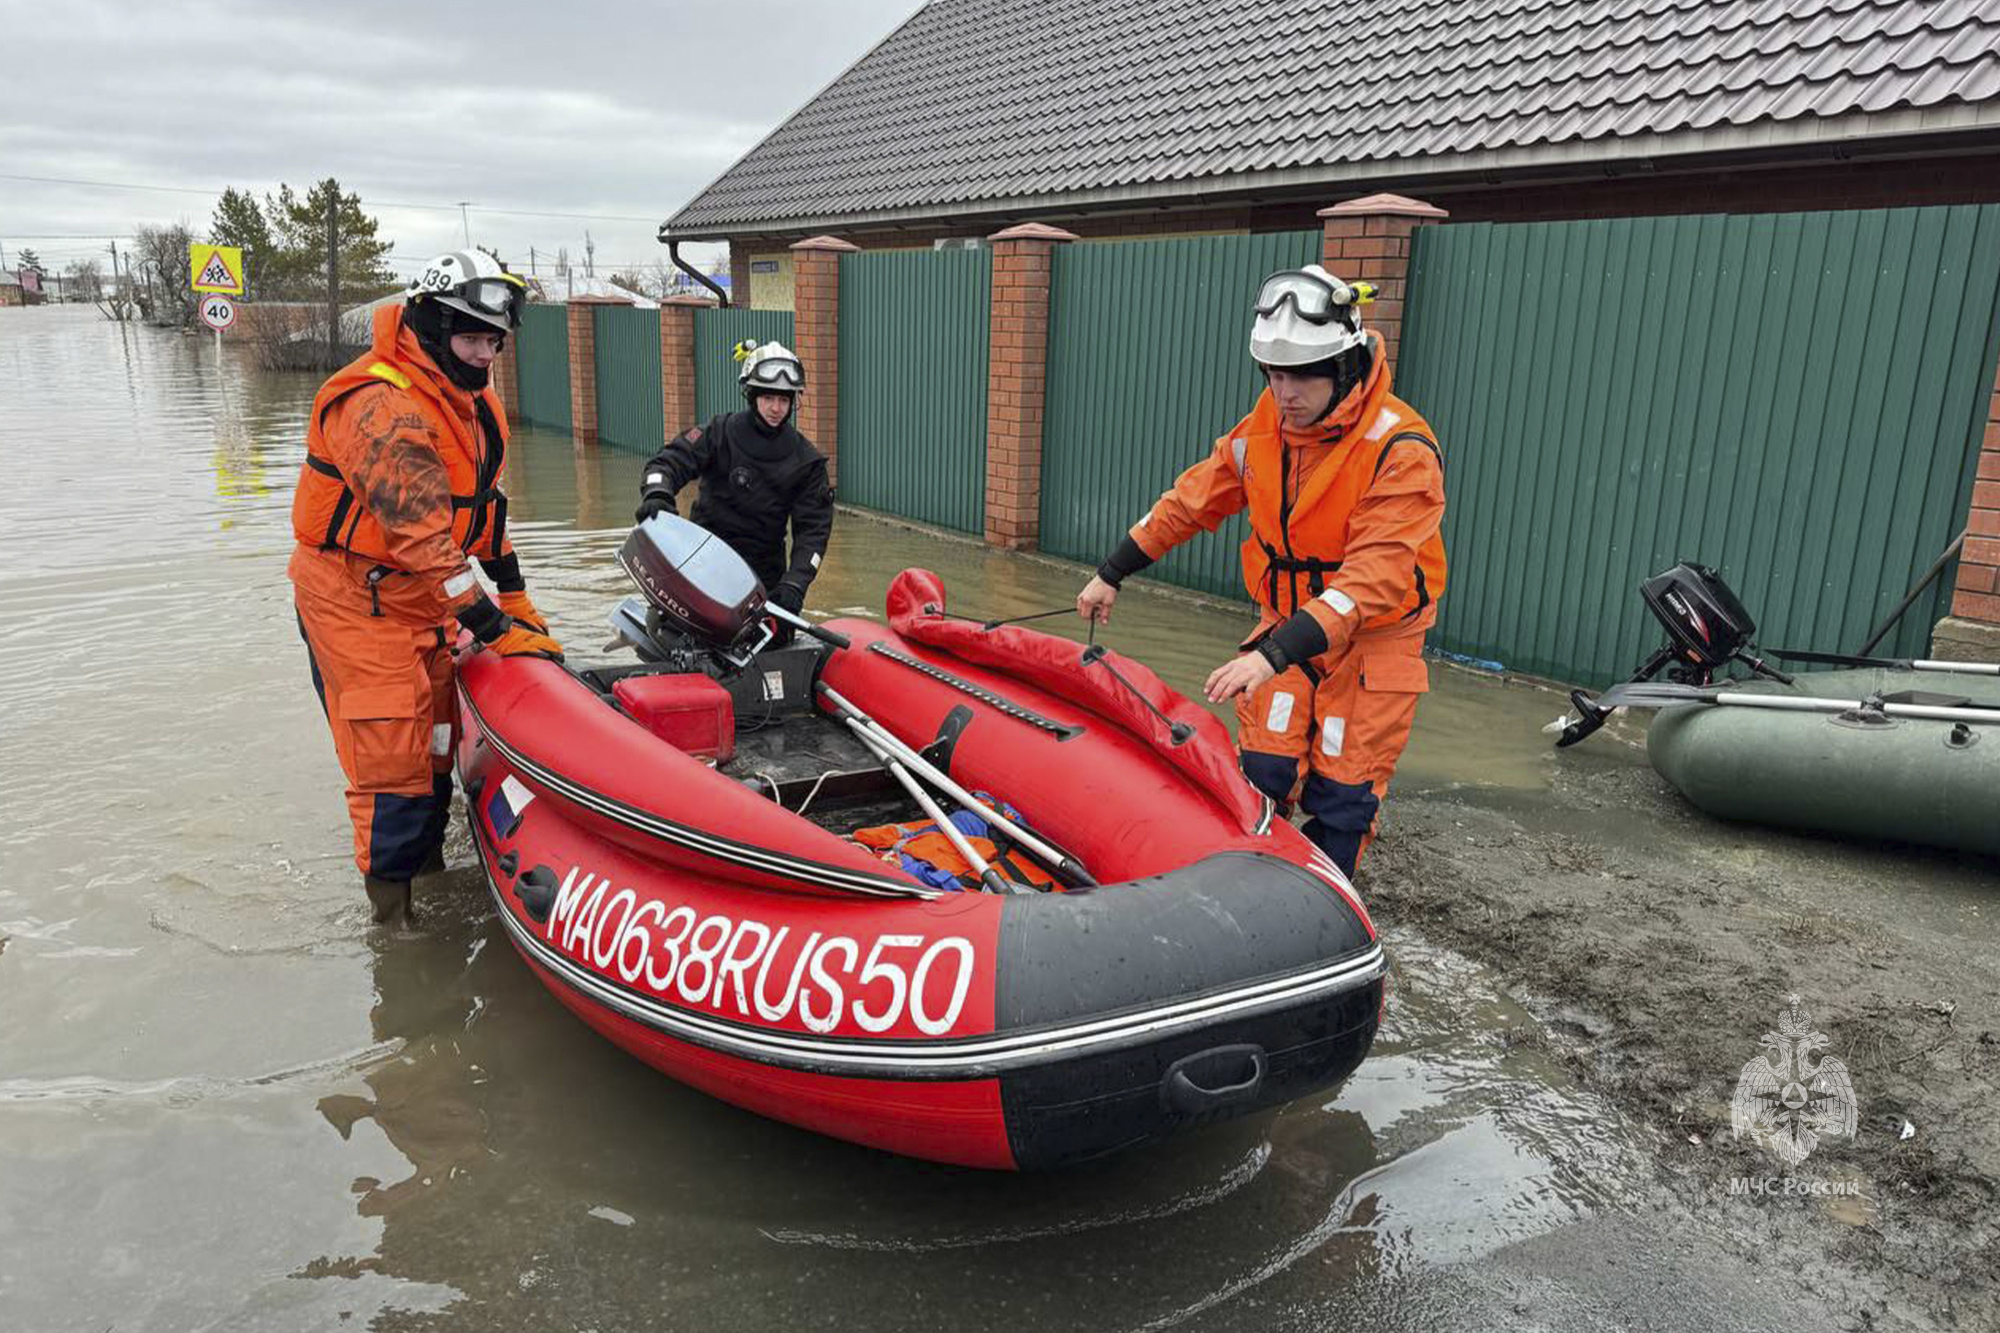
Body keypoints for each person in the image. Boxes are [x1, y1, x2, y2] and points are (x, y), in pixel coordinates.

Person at [1076, 265, 1447, 879]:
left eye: (1301, 375)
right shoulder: (1262, 435)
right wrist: (1112, 571)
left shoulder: (1400, 451)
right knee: (1265, 771)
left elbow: (1372, 580)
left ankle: (1320, 911)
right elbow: (1188, 503)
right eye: (1274, 374)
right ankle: (1248, 879)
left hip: (1370, 645)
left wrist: (1270, 656)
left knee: (1343, 794)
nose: (1285, 391)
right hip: (1286, 629)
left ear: (1344, 368)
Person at [289, 250, 562, 927]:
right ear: (434, 327)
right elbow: (424, 540)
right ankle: (395, 928)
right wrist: (497, 628)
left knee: (439, 747)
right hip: (358, 602)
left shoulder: (472, 404)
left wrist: (519, 601)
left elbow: (483, 514)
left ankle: (432, 874)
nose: (484, 354)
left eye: (494, 341)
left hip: (424, 601)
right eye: (472, 338)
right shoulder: (378, 406)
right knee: (393, 761)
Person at [635, 341, 833, 642]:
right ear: (751, 396)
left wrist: (795, 584)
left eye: (784, 399)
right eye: (768, 397)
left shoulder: (807, 462)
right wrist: (657, 494)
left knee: (773, 650)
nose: (776, 408)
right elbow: (669, 461)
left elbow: (813, 533)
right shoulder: (719, 433)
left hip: (762, 580)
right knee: (683, 641)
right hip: (701, 565)